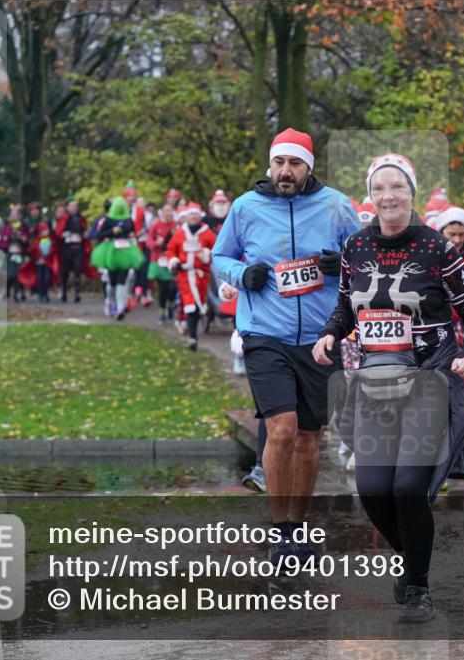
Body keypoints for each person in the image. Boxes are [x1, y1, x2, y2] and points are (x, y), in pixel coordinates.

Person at [313, 153, 464, 622]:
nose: (388, 196)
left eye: (397, 187)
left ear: (412, 193)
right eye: (379, 189)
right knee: (373, 491)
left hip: (429, 375)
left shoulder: (437, 248)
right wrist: (331, 332)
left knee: (409, 487)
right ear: (370, 196)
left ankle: (417, 586)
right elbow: (346, 307)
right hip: (374, 380)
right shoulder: (355, 246)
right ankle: (413, 561)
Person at [212, 128, 360, 562]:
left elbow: (362, 252)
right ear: (270, 165)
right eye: (279, 163)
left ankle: (299, 526)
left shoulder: (335, 205)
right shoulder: (245, 207)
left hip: (321, 337)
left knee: (311, 438)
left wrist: (343, 263)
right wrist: (243, 275)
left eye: (294, 163)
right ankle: (281, 530)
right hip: (265, 334)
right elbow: (220, 257)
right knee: (282, 429)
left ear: (308, 167)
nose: (285, 171)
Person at [167, 202, 215, 349]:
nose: (193, 217)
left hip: (201, 275)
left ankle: (195, 328)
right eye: (190, 215)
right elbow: (170, 250)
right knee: (190, 305)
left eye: (195, 214)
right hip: (184, 275)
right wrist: (174, 261)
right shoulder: (180, 233)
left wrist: (205, 255)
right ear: (186, 217)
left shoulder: (208, 233)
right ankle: (193, 337)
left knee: (198, 303)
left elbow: (217, 252)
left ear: (199, 216)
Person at [89, 196, 145, 320]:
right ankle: (109, 301)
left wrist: (132, 236)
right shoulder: (107, 220)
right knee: (111, 281)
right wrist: (111, 232)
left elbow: (132, 233)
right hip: (111, 252)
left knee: (122, 280)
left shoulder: (128, 220)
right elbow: (96, 234)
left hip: (125, 252)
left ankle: (121, 308)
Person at [147, 204, 178, 324]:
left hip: (172, 260)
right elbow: (149, 243)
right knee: (162, 288)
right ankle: (162, 312)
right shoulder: (156, 226)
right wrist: (157, 243)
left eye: (170, 210)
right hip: (159, 261)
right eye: (166, 210)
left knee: (172, 287)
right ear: (162, 212)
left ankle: (171, 303)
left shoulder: (176, 226)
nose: (168, 213)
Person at [55, 199, 89, 303]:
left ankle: (77, 293)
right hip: (67, 248)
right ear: (68, 208)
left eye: (75, 207)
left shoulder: (80, 218)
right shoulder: (64, 219)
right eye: (72, 207)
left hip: (78, 248)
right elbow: (58, 232)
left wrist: (84, 235)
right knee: (65, 272)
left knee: (77, 271)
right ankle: (64, 292)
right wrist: (64, 235)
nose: (74, 208)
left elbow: (85, 230)